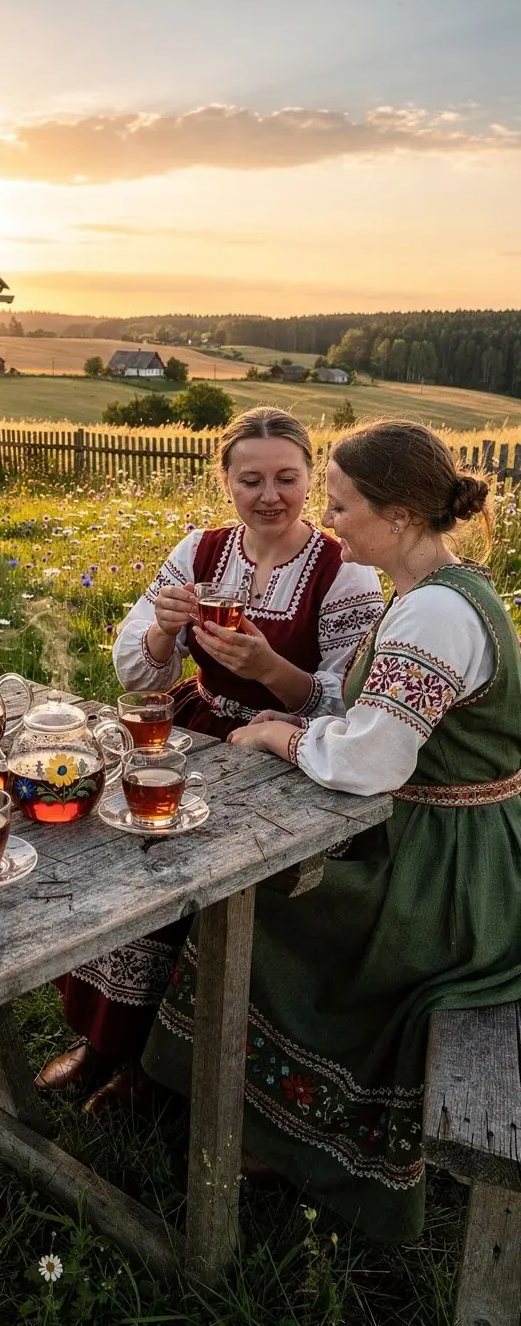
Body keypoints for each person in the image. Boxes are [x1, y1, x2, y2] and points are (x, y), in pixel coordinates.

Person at [142, 420, 521, 1242]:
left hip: (447, 875)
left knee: (263, 917)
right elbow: (361, 714)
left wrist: (274, 733)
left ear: (400, 514)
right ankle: (256, 1121)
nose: (331, 519)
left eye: (343, 504)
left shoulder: (431, 620)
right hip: (441, 842)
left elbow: (370, 762)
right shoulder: (441, 594)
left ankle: (294, 1143)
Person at [35, 408, 383, 1111]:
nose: (269, 495)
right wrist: (164, 634)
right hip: (193, 731)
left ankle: (158, 1069)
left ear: (310, 480)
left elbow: (348, 706)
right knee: (125, 851)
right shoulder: (200, 551)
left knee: (196, 882)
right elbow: (140, 675)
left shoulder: (343, 574)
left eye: (287, 477)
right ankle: (106, 1042)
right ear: (225, 479)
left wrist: (271, 669)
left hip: (284, 750)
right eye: (250, 478)